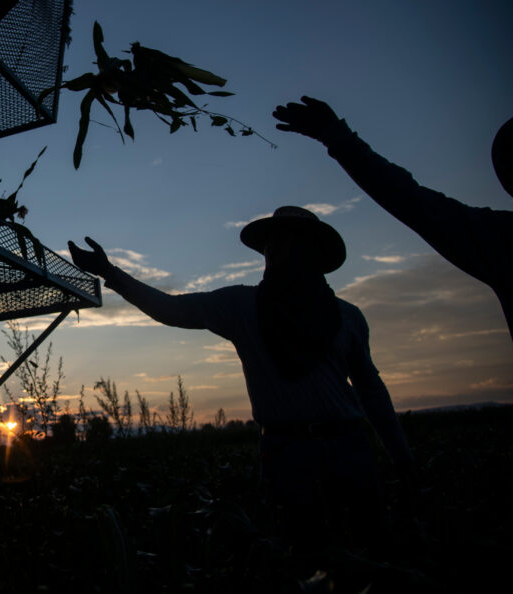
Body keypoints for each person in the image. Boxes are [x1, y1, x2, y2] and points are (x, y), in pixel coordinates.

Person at [68, 206, 414, 547]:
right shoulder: (242, 305)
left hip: (348, 448)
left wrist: (402, 458)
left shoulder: (347, 317)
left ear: (313, 252)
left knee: (371, 550)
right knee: (305, 557)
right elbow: (172, 309)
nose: (275, 250)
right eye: (271, 244)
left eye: (287, 241)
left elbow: (371, 391)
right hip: (286, 453)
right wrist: (109, 273)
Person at [274, 97, 513, 339]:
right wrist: (336, 137)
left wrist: (337, 138)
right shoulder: (501, 236)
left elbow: (410, 200)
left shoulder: (500, 237)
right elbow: (410, 199)